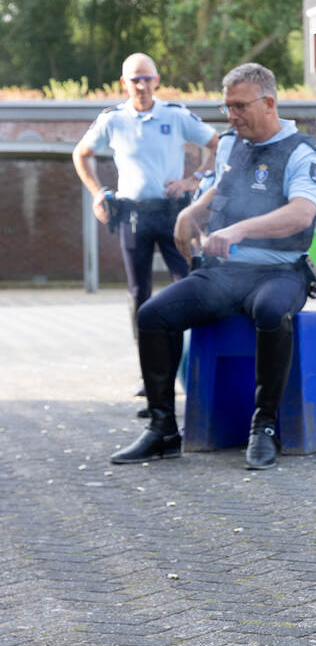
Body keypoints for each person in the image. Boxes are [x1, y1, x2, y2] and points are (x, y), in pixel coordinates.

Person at [110, 62, 316, 471]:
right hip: (225, 274)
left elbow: (301, 214)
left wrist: (240, 230)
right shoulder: (231, 144)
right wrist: (191, 212)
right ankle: (162, 431)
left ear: (269, 103)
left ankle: (263, 427)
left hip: (281, 271)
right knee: (152, 315)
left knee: (269, 311)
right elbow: (220, 188)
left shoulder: (303, 151)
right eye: (227, 107)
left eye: (240, 106)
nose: (231, 116)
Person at [73, 53, 219, 400]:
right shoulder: (113, 120)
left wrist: (192, 180)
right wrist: (97, 194)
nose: (141, 85)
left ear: (157, 80)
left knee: (187, 287)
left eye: (147, 78)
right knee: (139, 295)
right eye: (134, 79)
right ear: (123, 83)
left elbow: (216, 144)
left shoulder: (175, 114)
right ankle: (151, 376)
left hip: (173, 215)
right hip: (133, 216)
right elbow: (81, 154)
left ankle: (191, 369)